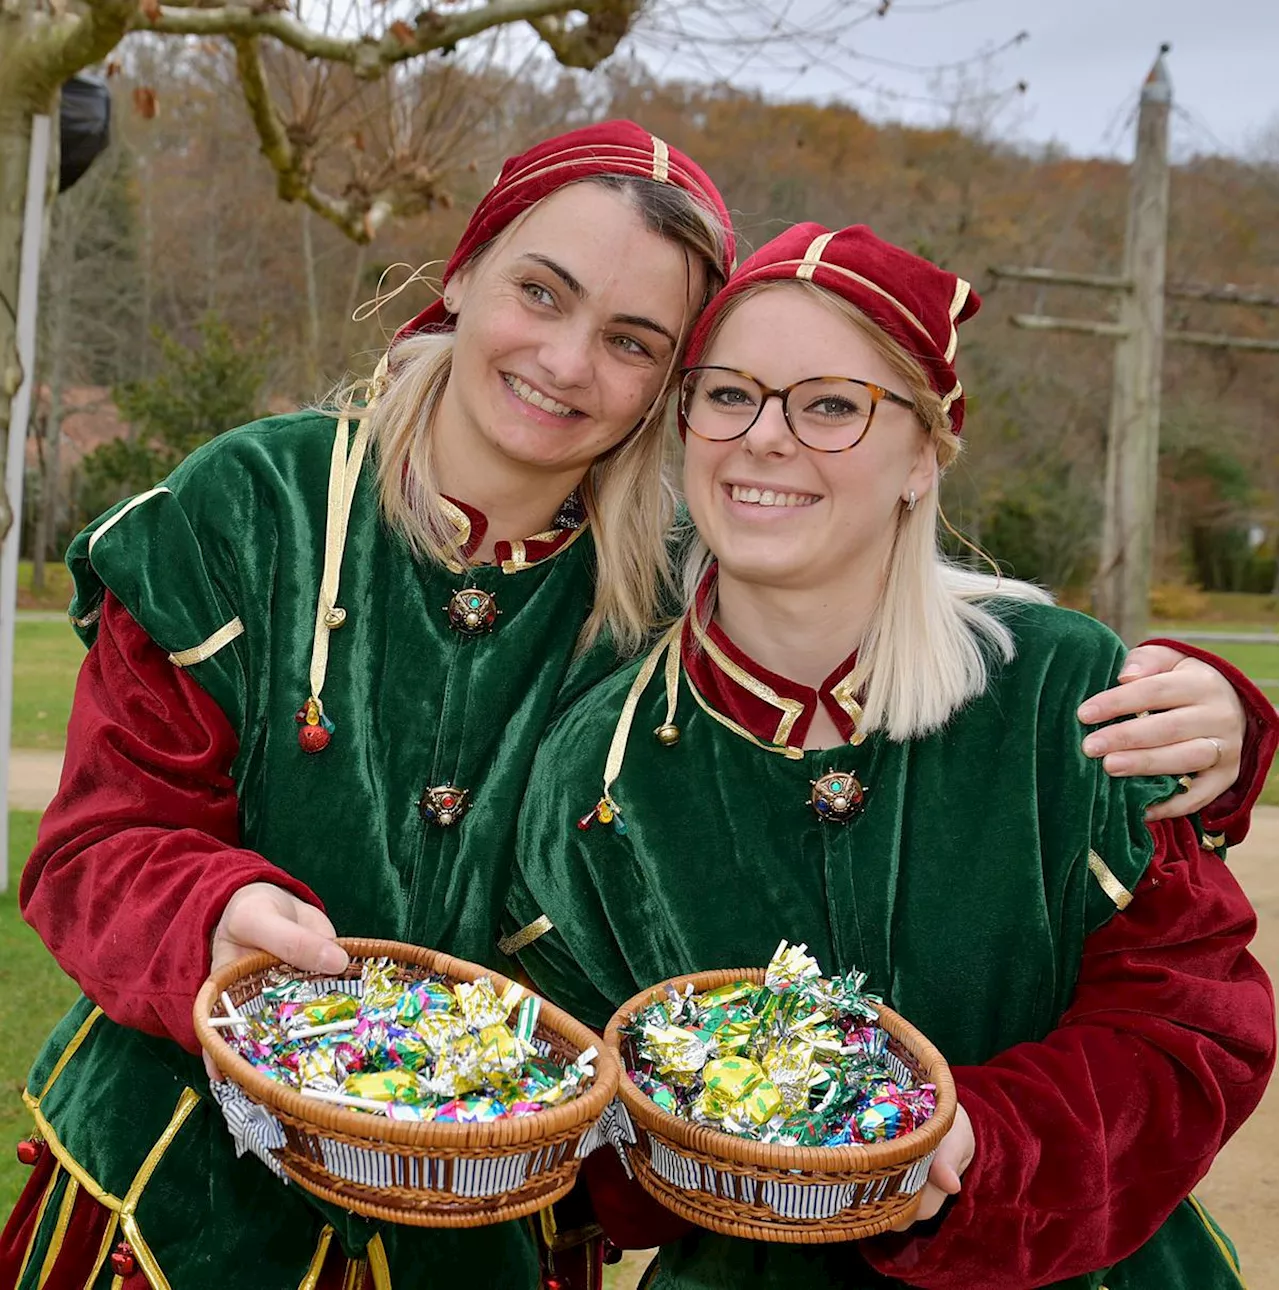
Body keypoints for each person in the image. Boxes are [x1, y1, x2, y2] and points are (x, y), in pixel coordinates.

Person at [0, 121, 1263, 1290]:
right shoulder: (255, 506)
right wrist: (208, 919)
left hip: (480, 1223)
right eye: (540, 292)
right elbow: (95, 844)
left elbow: (888, 603)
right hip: (179, 1191)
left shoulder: (680, 564)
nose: (564, 360)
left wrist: (1214, 713)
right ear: (465, 274)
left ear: (667, 384)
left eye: (632, 341)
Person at [505, 223, 1279, 1290]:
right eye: (728, 394)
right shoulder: (598, 765)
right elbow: (590, 1139)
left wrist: (973, 1150)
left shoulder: (1063, 691)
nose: (764, 439)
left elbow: (1191, 1030)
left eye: (829, 405)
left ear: (923, 454)